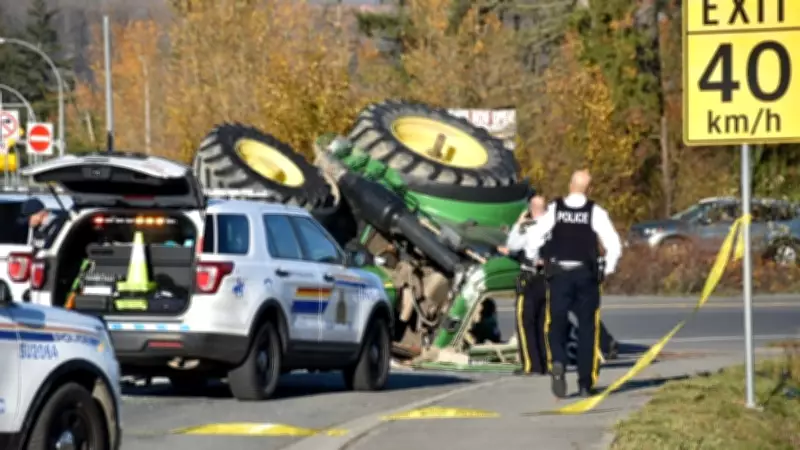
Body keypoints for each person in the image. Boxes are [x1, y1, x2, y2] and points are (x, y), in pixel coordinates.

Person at [521, 170, 622, 398]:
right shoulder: (595, 212)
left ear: (570, 185)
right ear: (590, 189)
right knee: (588, 328)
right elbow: (614, 244)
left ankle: (558, 361)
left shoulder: (555, 209)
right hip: (586, 274)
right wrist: (608, 268)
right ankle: (585, 382)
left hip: (559, 275)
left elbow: (535, 235)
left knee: (555, 322)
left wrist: (531, 258)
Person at [503, 194, 549, 376]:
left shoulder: (533, 227)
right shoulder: (552, 226)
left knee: (526, 322)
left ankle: (532, 365)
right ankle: (543, 364)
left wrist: (519, 224)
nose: (536, 210)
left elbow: (512, 245)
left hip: (532, 277)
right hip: (545, 277)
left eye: (538, 207)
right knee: (541, 322)